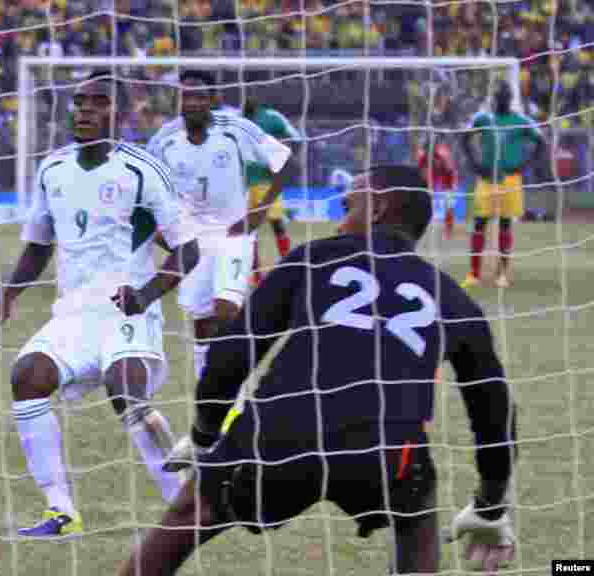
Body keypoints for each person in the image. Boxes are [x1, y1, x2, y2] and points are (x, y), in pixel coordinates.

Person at [126, 165, 517, 575]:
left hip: (284, 427)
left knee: (192, 510)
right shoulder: (451, 296)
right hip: (386, 447)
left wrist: (206, 435)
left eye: (348, 206)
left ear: (378, 208)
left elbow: (232, 351)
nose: (339, 220)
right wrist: (490, 504)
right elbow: (494, 406)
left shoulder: (314, 258)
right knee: (417, 509)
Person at [0, 71, 200, 538]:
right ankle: (61, 511)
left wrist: (146, 294)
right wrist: (7, 295)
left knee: (126, 392)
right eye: (79, 103)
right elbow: (39, 244)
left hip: (127, 311)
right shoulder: (52, 168)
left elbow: (188, 247)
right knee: (27, 376)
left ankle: (183, 505)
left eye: (97, 103)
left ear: (121, 114)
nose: (84, 111)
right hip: (73, 313)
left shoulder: (144, 169)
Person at [147, 69, 294, 386]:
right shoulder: (163, 141)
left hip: (233, 234)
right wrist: (165, 235)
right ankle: (209, 392)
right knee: (202, 323)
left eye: (200, 95)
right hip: (192, 242)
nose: (193, 102)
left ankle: (236, 385)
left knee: (226, 309)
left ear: (212, 100)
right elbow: (144, 190)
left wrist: (259, 212)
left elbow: (285, 160)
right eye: (186, 95)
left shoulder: (237, 129)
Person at [461, 81, 547, 288]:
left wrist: (525, 165)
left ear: (509, 99)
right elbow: (464, 138)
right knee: (479, 223)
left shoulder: (521, 120)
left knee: (505, 224)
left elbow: (541, 142)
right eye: (497, 97)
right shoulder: (482, 118)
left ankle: (502, 275)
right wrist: (474, 163)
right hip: (487, 179)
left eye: (504, 97)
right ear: (493, 99)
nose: (500, 100)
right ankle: (473, 274)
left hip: (510, 180)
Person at [243, 95, 302, 284]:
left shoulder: (271, 116)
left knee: (276, 224)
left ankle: (288, 268)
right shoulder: (239, 118)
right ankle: (257, 276)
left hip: (265, 181)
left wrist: (280, 157)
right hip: (242, 182)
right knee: (249, 231)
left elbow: (296, 138)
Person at [417, 140, 459, 240]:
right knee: (424, 201)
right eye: (425, 151)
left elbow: (449, 168)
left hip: (448, 177)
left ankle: (448, 231)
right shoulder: (422, 155)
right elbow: (420, 170)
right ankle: (420, 227)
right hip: (433, 175)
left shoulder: (443, 154)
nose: (426, 152)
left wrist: (442, 162)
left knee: (449, 205)